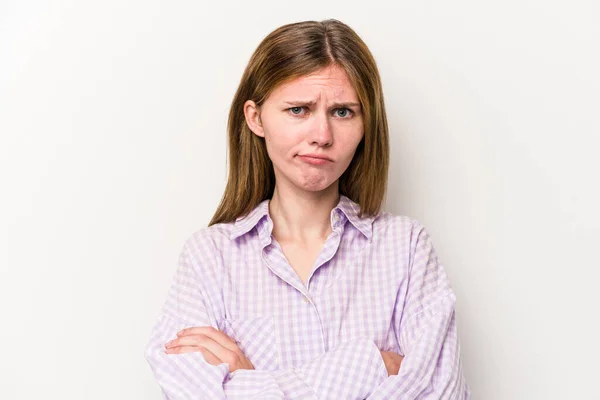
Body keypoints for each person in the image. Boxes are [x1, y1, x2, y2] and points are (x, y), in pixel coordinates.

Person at [144, 19, 470, 399]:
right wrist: (372, 365)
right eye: (298, 109)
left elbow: (441, 394)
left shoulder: (406, 248)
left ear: (367, 124)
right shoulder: (209, 258)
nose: (322, 136)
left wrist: (249, 384)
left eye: (343, 112)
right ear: (255, 117)